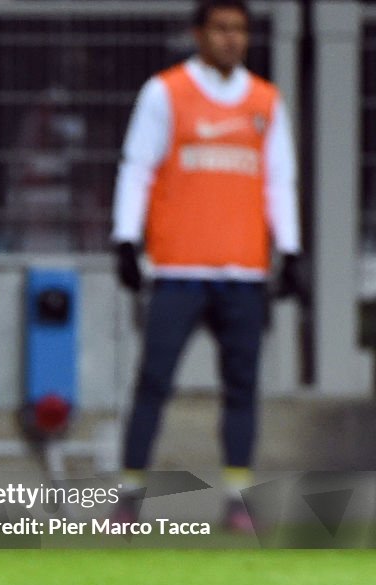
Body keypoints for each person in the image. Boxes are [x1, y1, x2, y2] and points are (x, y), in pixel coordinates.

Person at [111, 0, 305, 531]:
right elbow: (138, 167)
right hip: (177, 268)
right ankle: (130, 495)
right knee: (154, 380)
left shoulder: (266, 100)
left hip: (243, 271)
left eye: (239, 29)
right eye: (220, 28)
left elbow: (278, 180)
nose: (231, 39)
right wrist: (126, 240)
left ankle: (238, 497)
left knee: (242, 386)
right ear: (199, 34)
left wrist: (289, 250)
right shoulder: (166, 92)